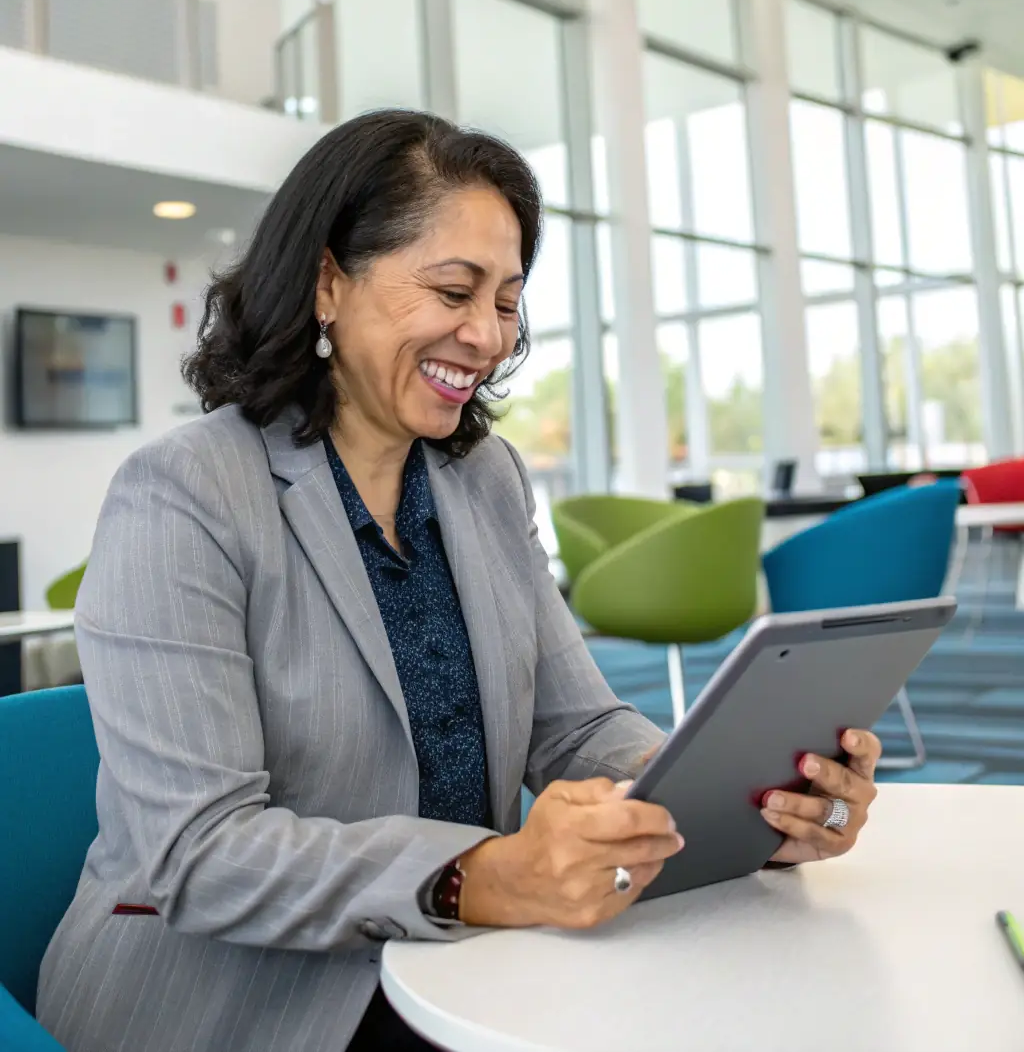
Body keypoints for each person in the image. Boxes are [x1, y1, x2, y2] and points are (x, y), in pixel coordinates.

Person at [37, 110, 881, 1052]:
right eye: (454, 290)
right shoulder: (184, 494)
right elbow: (200, 854)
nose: (485, 335)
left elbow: (578, 725)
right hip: (240, 1005)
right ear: (328, 281)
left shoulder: (482, 478)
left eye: (509, 301)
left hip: (454, 968)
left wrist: (731, 797)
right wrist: (481, 873)